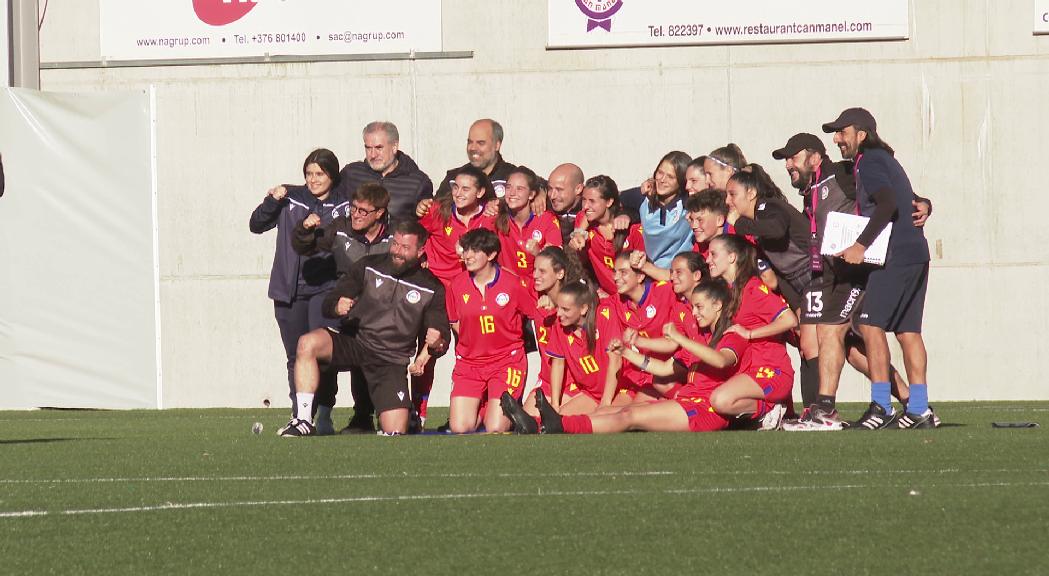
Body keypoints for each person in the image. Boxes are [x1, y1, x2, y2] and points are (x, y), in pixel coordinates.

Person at [771, 133, 928, 428]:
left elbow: (885, 192)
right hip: (835, 274)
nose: (788, 164)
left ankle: (825, 410)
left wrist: (920, 201)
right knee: (855, 353)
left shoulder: (842, 174)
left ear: (815, 156)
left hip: (856, 271)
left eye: (793, 157)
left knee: (830, 333)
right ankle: (913, 404)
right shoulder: (811, 190)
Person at [504, 279, 749, 434]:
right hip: (687, 400)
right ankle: (536, 425)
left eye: (699, 307)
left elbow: (720, 360)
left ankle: (558, 425)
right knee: (608, 414)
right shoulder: (698, 337)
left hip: (704, 411)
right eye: (693, 307)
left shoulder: (731, 334)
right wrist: (627, 353)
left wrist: (680, 338)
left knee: (628, 416)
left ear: (718, 306)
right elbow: (663, 369)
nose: (693, 313)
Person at [279, 221, 450, 437]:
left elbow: (440, 334)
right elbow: (330, 302)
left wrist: (437, 343)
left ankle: (406, 414)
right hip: (356, 343)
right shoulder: (368, 265)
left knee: (395, 430)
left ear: (420, 251)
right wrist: (336, 305)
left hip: (390, 358)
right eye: (395, 244)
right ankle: (302, 419)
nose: (397, 252)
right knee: (307, 343)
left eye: (405, 248)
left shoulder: (432, 287)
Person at [824, 107, 936, 429]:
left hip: (895, 254)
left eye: (842, 132)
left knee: (870, 326)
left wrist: (859, 245)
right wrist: (927, 203)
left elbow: (887, 204)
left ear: (861, 134)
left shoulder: (869, 160)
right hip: (916, 251)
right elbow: (907, 198)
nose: (836, 138)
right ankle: (918, 410)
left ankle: (882, 407)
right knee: (908, 331)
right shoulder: (884, 159)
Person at [249, 149, 349, 434]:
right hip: (289, 289)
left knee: (321, 354)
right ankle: (300, 416)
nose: (314, 179)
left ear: (332, 175)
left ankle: (325, 413)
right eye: (309, 173)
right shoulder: (291, 197)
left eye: (320, 174)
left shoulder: (345, 203)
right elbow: (256, 224)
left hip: (326, 289)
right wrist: (272, 200)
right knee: (295, 355)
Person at [291, 181, 391, 433]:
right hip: (345, 314)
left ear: (379, 213)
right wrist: (304, 230)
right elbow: (307, 247)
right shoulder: (341, 228)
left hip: (386, 322)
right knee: (312, 347)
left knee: (395, 425)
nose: (355, 215)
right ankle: (305, 418)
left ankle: (371, 416)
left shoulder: (396, 234)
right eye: (353, 208)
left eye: (362, 211)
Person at [414, 165, 497, 425]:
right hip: (438, 290)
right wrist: (422, 259)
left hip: (470, 293)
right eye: (455, 187)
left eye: (466, 188)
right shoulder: (437, 211)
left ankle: (481, 411)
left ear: (481, 192)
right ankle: (418, 413)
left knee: (476, 353)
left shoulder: (491, 217)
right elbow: (417, 236)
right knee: (428, 348)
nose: (459, 193)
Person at [446, 229, 537, 433]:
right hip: (469, 364)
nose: (467, 255)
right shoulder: (456, 285)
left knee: (495, 428)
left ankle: (495, 407)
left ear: (491, 254)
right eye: (466, 250)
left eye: (475, 250)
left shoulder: (513, 284)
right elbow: (455, 322)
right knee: (460, 428)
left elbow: (534, 314)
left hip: (507, 362)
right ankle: (486, 403)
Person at [704, 234, 797, 429]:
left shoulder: (753, 288)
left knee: (720, 400)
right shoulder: (732, 290)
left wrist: (750, 334)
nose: (707, 259)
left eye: (713, 254)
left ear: (732, 257)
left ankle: (771, 409)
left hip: (771, 371)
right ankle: (769, 412)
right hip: (749, 370)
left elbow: (789, 319)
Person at [511, 246, 585, 426]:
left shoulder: (576, 299)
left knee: (552, 422)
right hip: (547, 379)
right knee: (526, 422)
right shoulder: (533, 296)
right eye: (534, 269)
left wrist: (557, 306)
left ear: (560, 274)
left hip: (574, 380)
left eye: (542, 271)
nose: (535, 275)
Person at [331, 121, 434, 228]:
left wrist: (423, 210)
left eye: (379, 148)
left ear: (394, 147)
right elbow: (329, 205)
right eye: (368, 148)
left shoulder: (418, 182)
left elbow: (428, 225)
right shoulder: (351, 174)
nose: (373, 154)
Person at [567, 175, 645, 296]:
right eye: (584, 200)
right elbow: (581, 260)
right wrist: (577, 239)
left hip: (631, 298)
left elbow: (642, 269)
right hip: (605, 299)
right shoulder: (585, 223)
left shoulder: (633, 230)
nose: (585, 206)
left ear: (609, 202)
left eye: (592, 201)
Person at [494, 166, 563, 277]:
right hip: (507, 288)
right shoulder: (496, 216)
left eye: (519, 189)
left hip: (536, 287)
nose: (512, 193)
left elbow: (557, 261)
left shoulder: (546, 219)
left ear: (531, 194)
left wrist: (538, 253)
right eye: (508, 187)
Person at [634, 151, 695, 268]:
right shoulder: (645, 198)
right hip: (650, 270)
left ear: (682, 181)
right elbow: (619, 199)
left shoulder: (689, 203)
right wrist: (625, 214)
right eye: (660, 173)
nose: (662, 180)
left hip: (679, 273)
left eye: (671, 177)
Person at [435, 119, 516, 198]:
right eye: (470, 142)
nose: (473, 148)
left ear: (497, 145)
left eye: (481, 143)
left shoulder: (514, 178)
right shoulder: (453, 178)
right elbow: (436, 208)